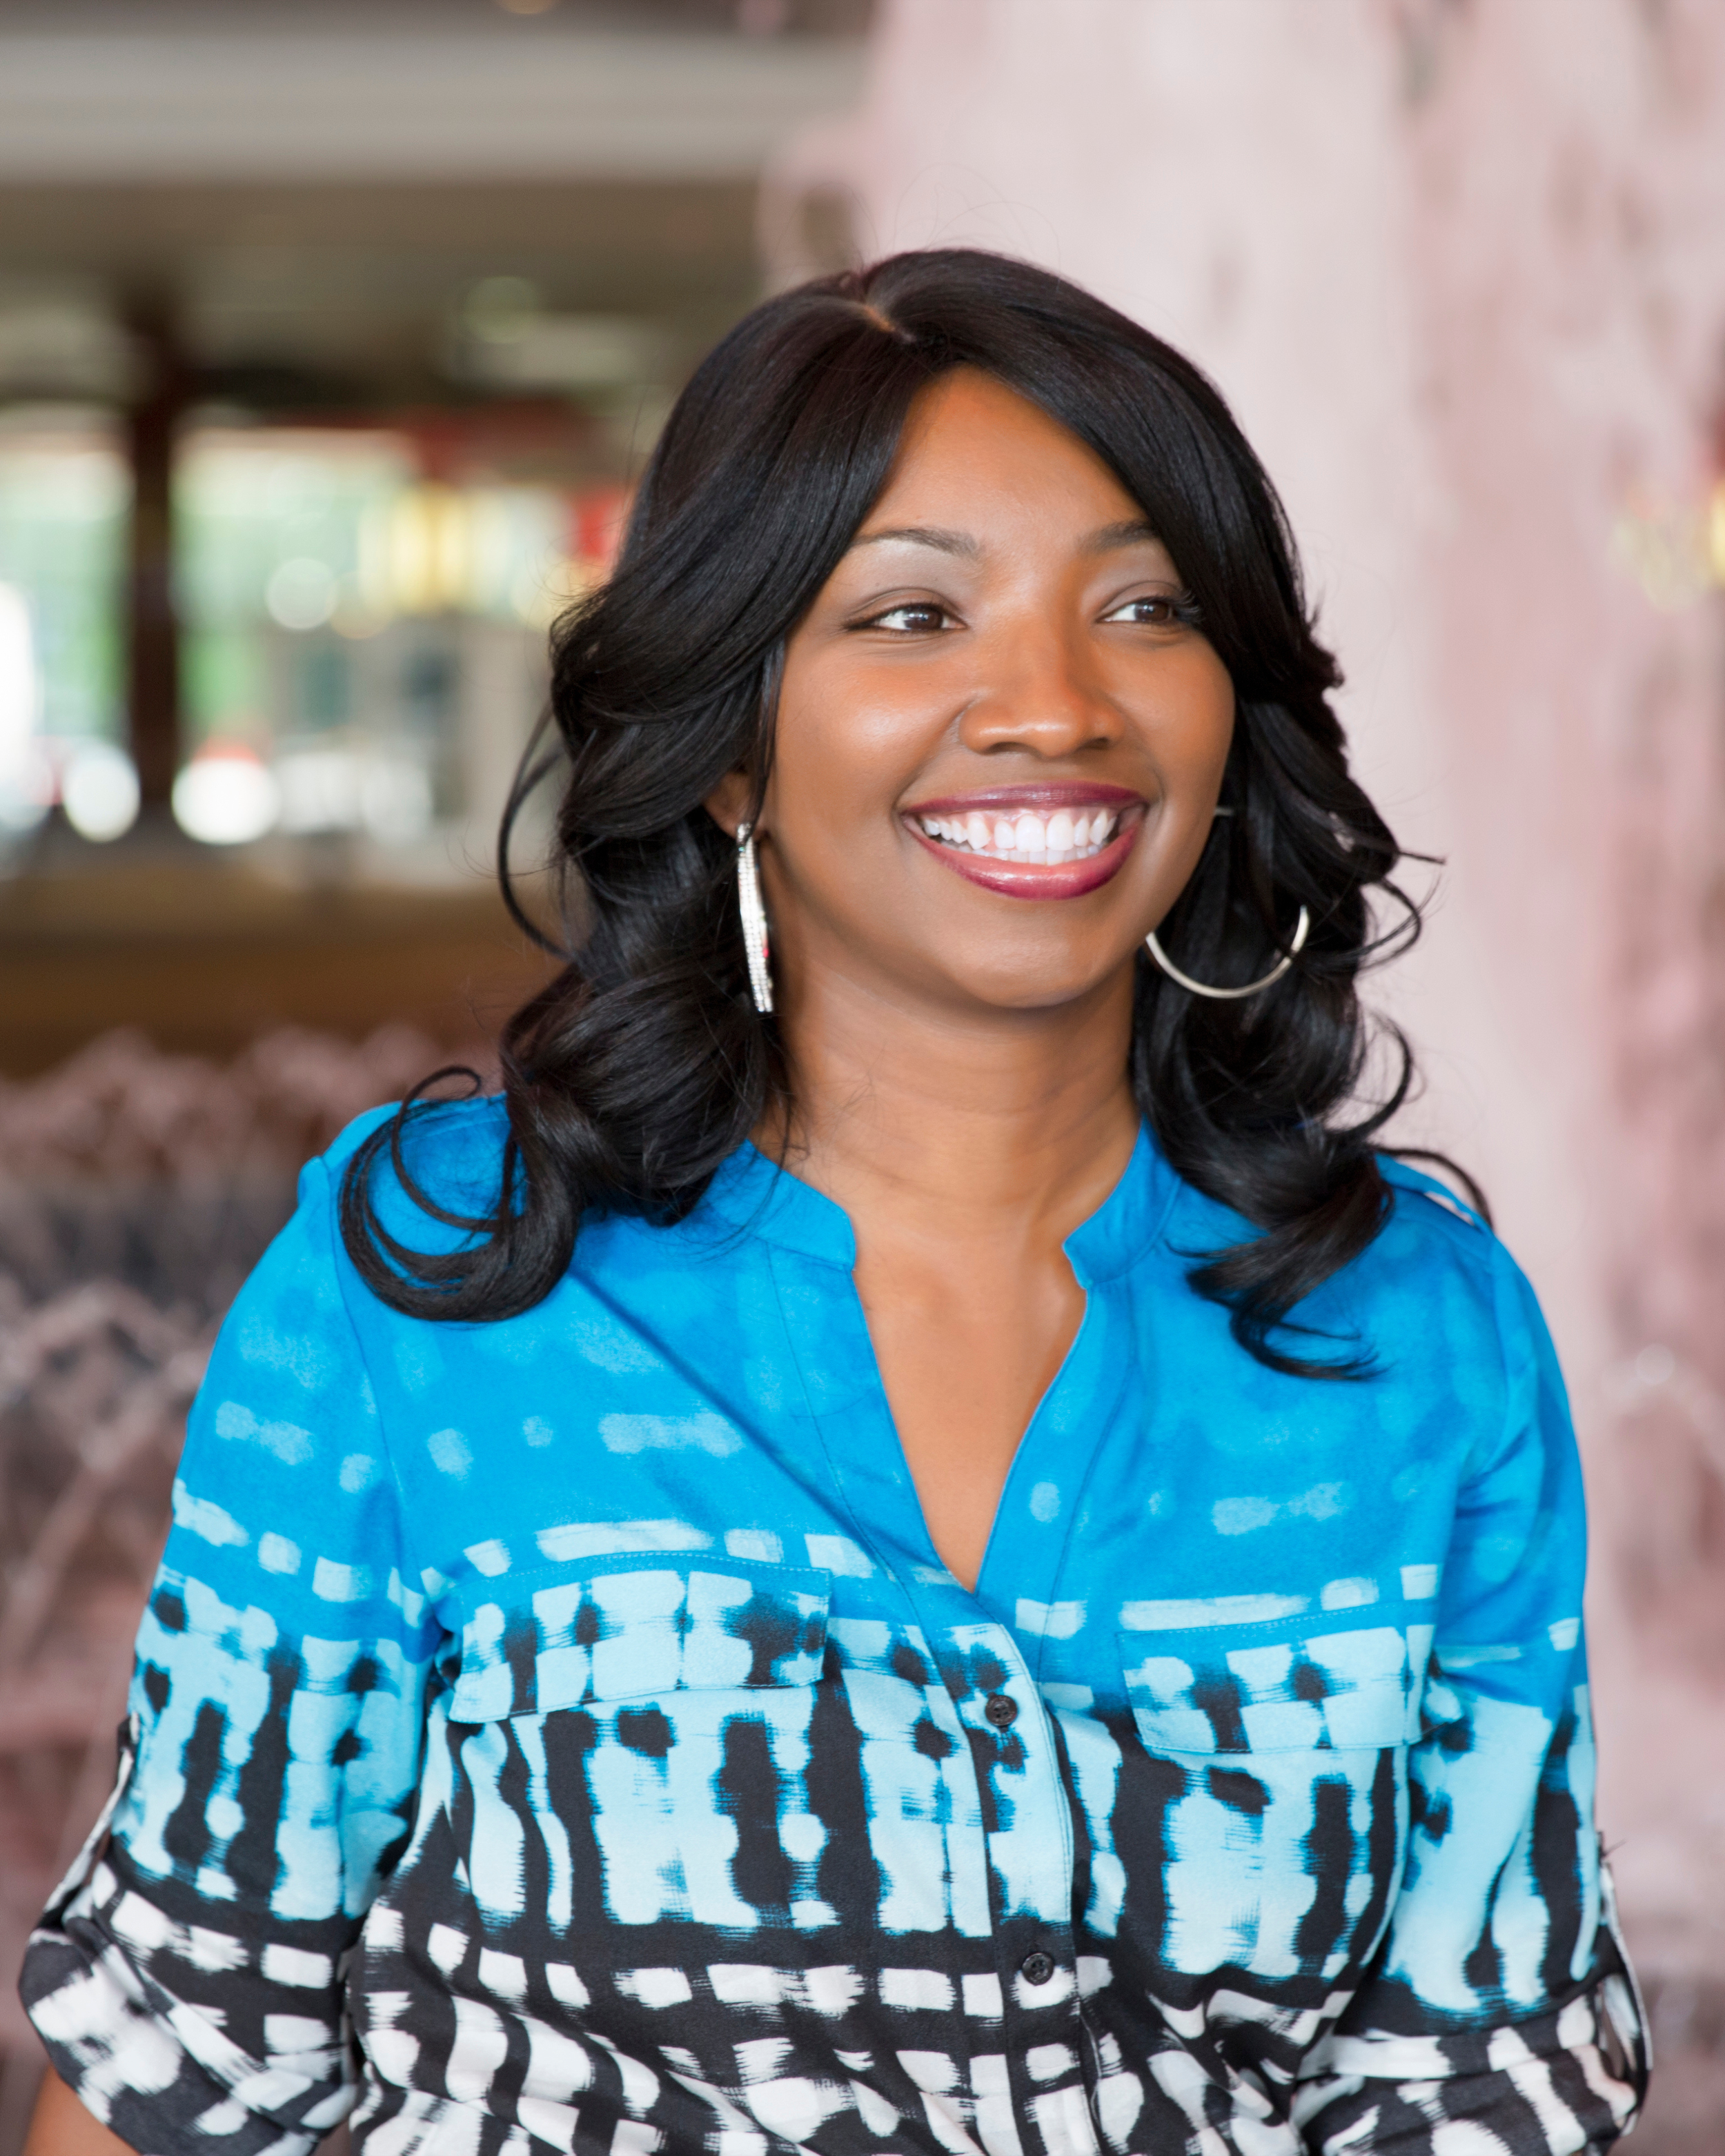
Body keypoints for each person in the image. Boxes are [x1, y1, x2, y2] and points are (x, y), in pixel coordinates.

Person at [21, 251, 1646, 2156]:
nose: (1048, 703)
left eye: (1141, 604)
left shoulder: (1407, 1332)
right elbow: (176, 2058)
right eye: (910, 614)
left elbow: (1467, 2089)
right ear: (727, 750)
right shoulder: (443, 1278)